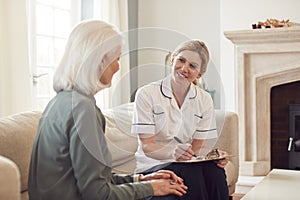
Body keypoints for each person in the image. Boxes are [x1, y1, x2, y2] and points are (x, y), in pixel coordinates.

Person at [27, 20, 188, 200]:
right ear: (100, 60)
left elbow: (93, 181)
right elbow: (99, 195)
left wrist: (141, 179)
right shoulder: (83, 109)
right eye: (117, 59)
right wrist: (151, 189)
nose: (118, 67)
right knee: (176, 192)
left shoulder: (60, 102)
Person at [132, 40, 229, 199]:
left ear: (199, 74)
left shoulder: (203, 99)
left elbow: (198, 147)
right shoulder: (146, 94)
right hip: (153, 165)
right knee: (192, 171)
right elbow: (147, 145)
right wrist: (173, 154)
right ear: (172, 60)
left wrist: (214, 155)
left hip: (186, 163)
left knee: (214, 170)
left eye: (192, 66)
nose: (184, 68)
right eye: (181, 60)